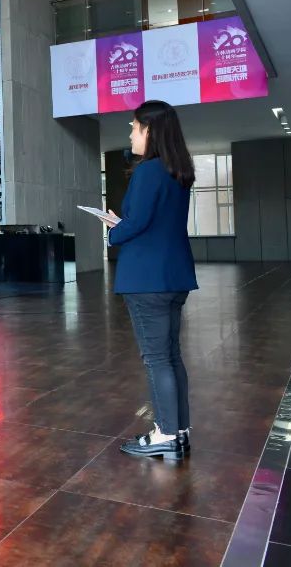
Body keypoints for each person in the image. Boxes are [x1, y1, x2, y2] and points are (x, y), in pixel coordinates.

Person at [103, 100, 198, 461]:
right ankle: (179, 430)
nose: (130, 133)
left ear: (150, 130)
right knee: (171, 355)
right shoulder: (179, 172)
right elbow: (154, 221)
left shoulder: (148, 171)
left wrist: (114, 231)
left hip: (146, 278)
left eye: (134, 126)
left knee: (156, 358)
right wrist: (126, 224)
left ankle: (165, 434)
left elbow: (139, 223)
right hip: (174, 275)